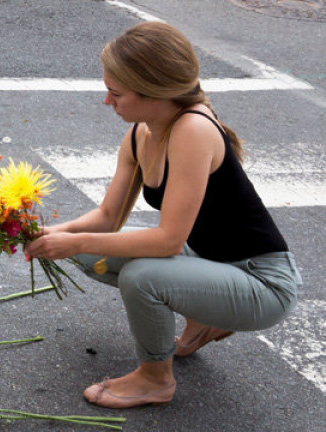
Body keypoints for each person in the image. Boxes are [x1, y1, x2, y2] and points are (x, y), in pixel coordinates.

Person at [25, 21, 301, 409]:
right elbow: (108, 217)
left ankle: (155, 378)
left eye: (115, 92)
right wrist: (51, 234)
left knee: (142, 276)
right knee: (87, 253)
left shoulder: (193, 129)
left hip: (263, 281)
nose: (108, 101)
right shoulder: (141, 131)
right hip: (211, 261)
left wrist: (74, 240)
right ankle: (203, 317)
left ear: (154, 92)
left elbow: (169, 240)